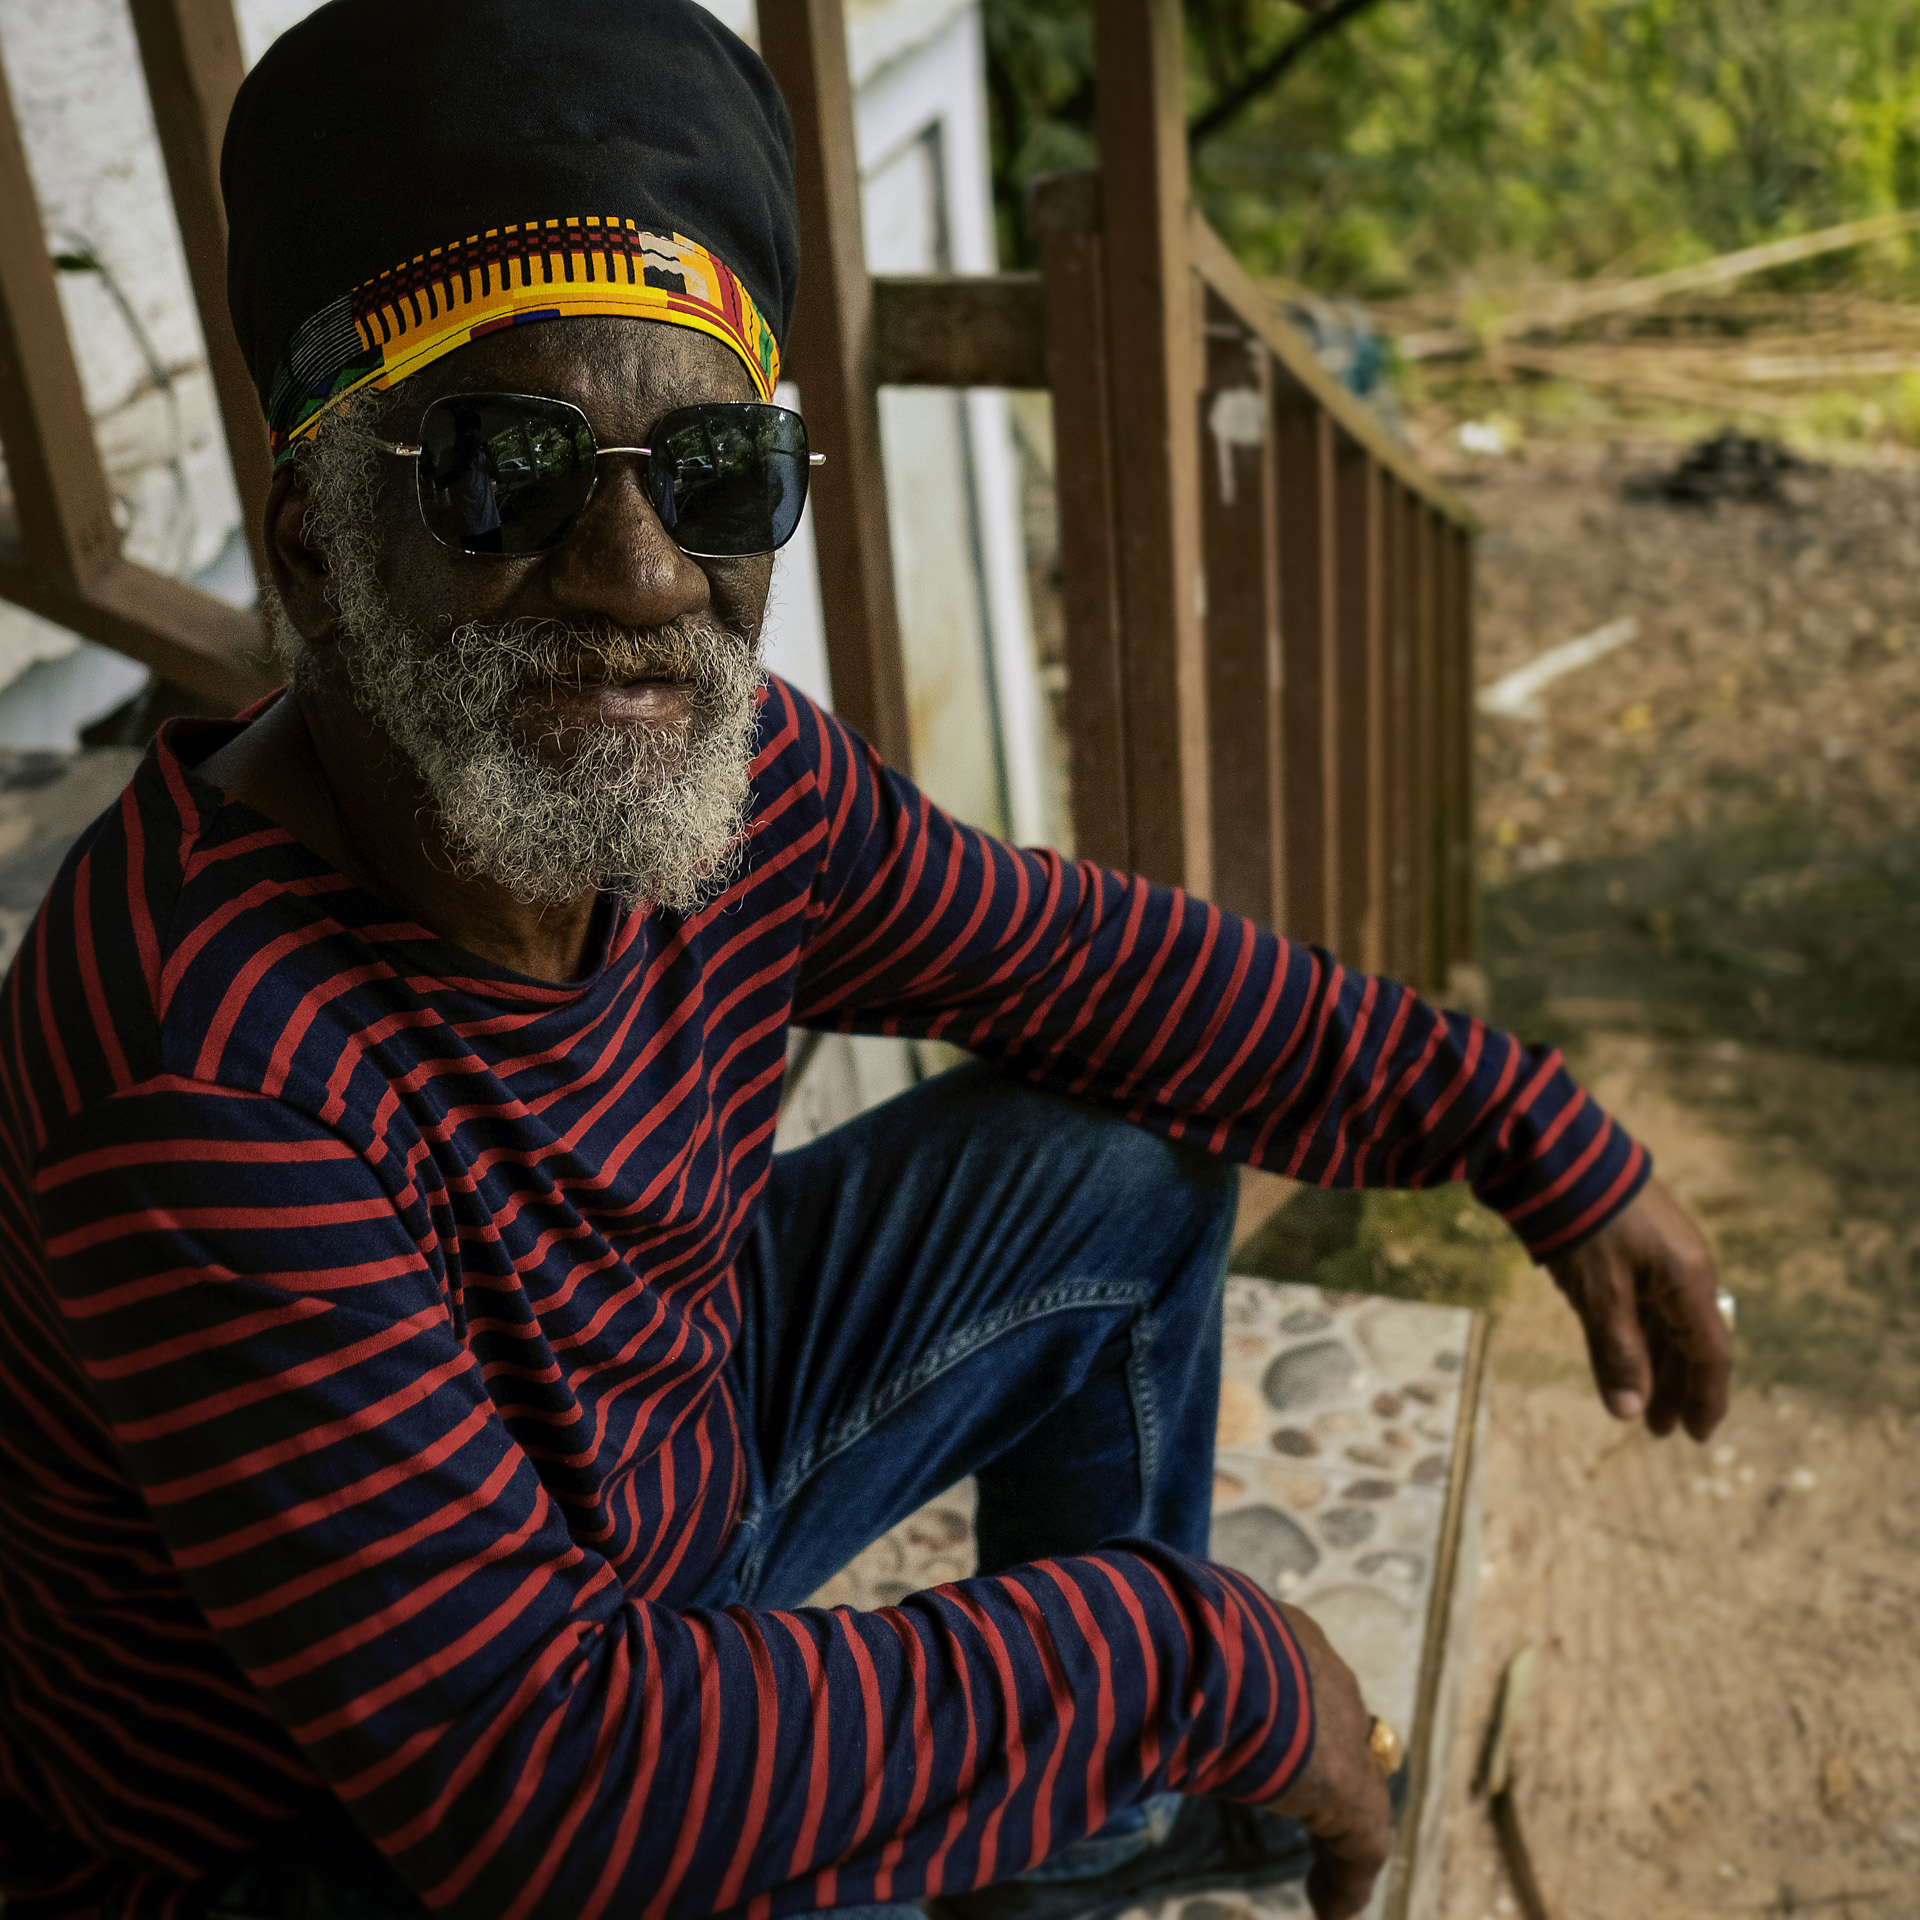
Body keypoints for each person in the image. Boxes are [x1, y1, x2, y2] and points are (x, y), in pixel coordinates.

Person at [0, 4, 1730, 1918]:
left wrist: (1533, 1131)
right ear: (315, 544)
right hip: (352, 1827)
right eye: (507, 469)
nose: (645, 576)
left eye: (718, 471)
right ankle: (1055, 1797)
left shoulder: (734, 795)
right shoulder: (201, 1065)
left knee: (1123, 1165)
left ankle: (1072, 1848)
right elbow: (549, 1797)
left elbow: (1107, 972)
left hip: (644, 1526)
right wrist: (1188, 1661)